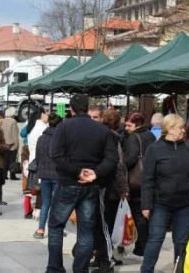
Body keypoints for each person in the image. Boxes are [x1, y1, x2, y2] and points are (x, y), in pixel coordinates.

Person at [47, 94, 118, 273]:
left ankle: (55, 267)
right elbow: (112, 158)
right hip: (91, 185)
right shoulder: (102, 130)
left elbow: (55, 155)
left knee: (56, 226)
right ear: (87, 108)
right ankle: (81, 269)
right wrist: (95, 172)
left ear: (70, 109)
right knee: (86, 230)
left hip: (68, 182)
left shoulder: (63, 126)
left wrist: (77, 171)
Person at [140, 114, 189, 273]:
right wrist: (146, 205)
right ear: (170, 129)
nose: (183, 130)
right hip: (161, 204)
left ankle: (178, 270)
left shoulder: (188, 147)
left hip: (185, 204)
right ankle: (146, 270)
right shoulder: (154, 149)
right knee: (155, 239)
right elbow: (148, 179)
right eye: (180, 127)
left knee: (181, 242)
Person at [91, 109, 129, 272]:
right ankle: (101, 257)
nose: (93, 120)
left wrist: (122, 189)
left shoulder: (111, 137)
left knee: (105, 225)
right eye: (91, 117)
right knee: (100, 225)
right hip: (102, 187)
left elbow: (119, 166)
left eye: (96, 117)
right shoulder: (104, 135)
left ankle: (107, 260)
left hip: (109, 189)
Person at [123, 112, 156, 261]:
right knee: (146, 212)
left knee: (138, 214)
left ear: (137, 124)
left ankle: (141, 248)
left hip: (136, 181)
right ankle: (145, 245)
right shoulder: (151, 135)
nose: (126, 128)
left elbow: (129, 160)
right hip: (150, 178)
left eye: (129, 125)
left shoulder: (132, 138)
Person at [33, 114, 62, 239]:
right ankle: (54, 228)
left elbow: (38, 157)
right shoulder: (60, 139)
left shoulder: (41, 138)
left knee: (45, 202)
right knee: (56, 203)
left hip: (44, 174)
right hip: (57, 174)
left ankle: (40, 229)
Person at [26, 107, 48, 218]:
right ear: (42, 115)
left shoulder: (33, 127)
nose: (48, 115)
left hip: (33, 159)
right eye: (46, 113)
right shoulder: (42, 128)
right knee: (42, 187)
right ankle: (38, 210)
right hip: (40, 160)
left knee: (37, 187)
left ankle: (36, 209)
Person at [0, 107, 19, 180]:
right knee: (12, 161)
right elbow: (14, 134)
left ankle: (4, 174)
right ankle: (12, 175)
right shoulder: (13, 121)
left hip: (4, 144)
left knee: (5, 160)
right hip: (12, 144)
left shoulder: (2, 121)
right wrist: (17, 145)